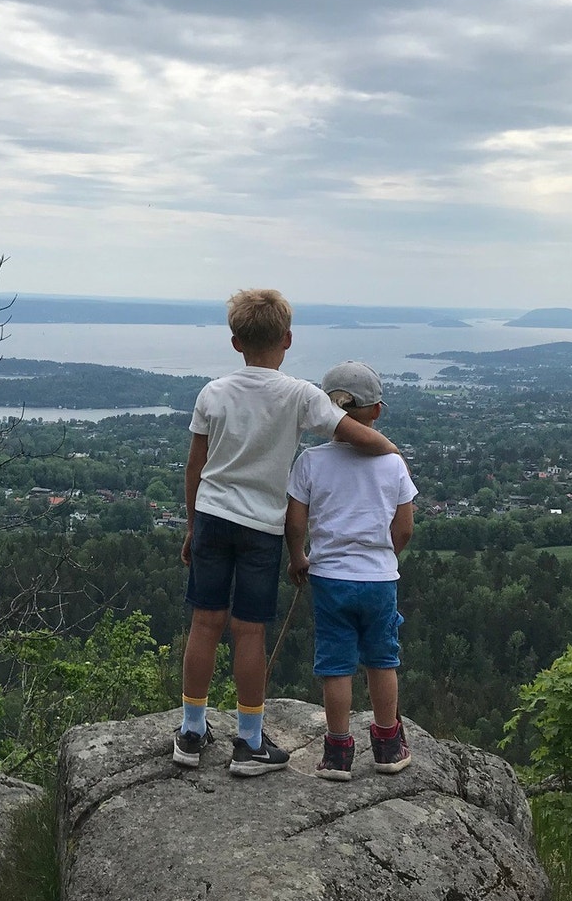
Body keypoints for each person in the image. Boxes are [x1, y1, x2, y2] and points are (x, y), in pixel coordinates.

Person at [175, 291, 401, 777]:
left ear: (235, 342)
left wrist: (193, 525)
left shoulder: (212, 393)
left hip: (213, 516)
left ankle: (191, 733)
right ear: (288, 340)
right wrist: (391, 451)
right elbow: (353, 432)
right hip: (260, 528)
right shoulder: (299, 394)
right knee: (249, 630)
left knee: (205, 624)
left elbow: (195, 467)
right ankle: (250, 741)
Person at [286, 360, 417, 781]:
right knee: (382, 659)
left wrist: (298, 557)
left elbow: (295, 522)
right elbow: (405, 527)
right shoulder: (393, 463)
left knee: (335, 663)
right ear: (376, 411)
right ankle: (388, 744)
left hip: (329, 578)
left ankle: (338, 753)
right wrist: (385, 556)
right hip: (379, 578)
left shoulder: (310, 461)